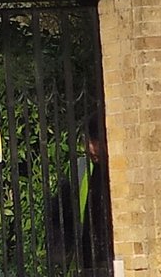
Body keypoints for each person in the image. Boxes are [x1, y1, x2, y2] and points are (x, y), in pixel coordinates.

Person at [47, 118, 110, 276]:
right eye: (86, 141)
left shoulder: (119, 168)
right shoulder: (81, 167)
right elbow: (64, 208)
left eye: (94, 141)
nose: (89, 148)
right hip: (87, 253)